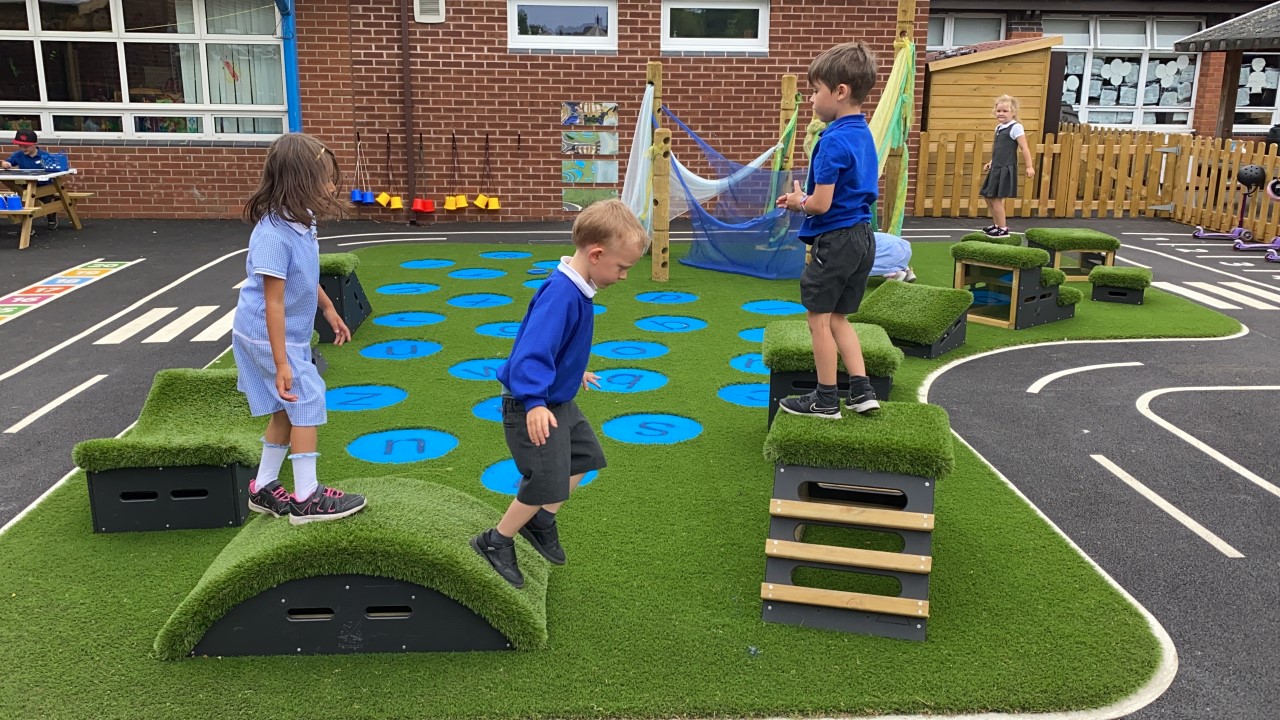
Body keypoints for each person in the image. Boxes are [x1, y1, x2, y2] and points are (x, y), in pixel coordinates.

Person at [471, 199, 649, 588]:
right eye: (622, 268)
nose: (623, 277)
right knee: (547, 479)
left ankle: (540, 519)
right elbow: (531, 351)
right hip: (530, 403)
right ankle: (495, 541)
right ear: (596, 254)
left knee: (585, 457)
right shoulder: (562, 294)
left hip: (557, 399)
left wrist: (575, 371)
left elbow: (556, 345)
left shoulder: (579, 289)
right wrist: (534, 402)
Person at [235, 133, 367, 525]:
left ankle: (263, 487)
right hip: (264, 334)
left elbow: (304, 274)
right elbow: (273, 301)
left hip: (279, 332)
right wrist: (281, 363)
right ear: (299, 181)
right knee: (306, 398)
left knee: (283, 408)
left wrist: (328, 308)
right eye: (323, 178)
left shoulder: (301, 221)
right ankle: (306, 498)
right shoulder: (274, 235)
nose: (330, 186)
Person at [775, 41, 882, 420]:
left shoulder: (830, 140)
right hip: (863, 237)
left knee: (818, 319)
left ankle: (824, 399)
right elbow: (850, 191)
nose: (813, 100)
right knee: (839, 318)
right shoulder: (863, 134)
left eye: (816, 91)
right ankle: (861, 389)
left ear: (840, 92)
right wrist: (808, 197)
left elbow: (820, 205)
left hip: (835, 241)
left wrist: (796, 202)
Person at [979, 95, 1035, 238]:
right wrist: (991, 162)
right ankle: (997, 224)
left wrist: (1029, 166)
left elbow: (1024, 148)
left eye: (1005, 111)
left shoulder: (1016, 127)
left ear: (1013, 112)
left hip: (1005, 169)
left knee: (996, 199)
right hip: (996, 167)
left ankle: (1003, 229)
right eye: (999, 111)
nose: (1001, 114)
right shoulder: (998, 127)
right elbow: (999, 149)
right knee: (987, 196)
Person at [2, 129, 61, 230]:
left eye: (26, 146)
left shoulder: (44, 155)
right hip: (26, 185)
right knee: (23, 199)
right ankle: (27, 227)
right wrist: (6, 164)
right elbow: (7, 162)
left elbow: (54, 169)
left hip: (44, 185)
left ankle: (51, 217)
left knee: (46, 201)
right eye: (20, 146)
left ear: (35, 144)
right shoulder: (18, 155)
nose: (23, 148)